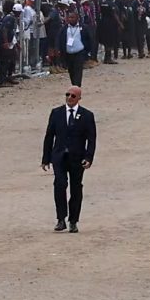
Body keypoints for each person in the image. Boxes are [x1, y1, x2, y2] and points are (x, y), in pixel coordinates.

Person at [41, 85, 95, 234]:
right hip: (59, 156)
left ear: (79, 98)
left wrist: (88, 158)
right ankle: (60, 219)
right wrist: (46, 158)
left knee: (76, 188)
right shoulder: (56, 113)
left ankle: (73, 221)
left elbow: (91, 139)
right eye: (67, 95)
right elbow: (49, 136)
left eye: (73, 96)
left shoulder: (87, 115)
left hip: (77, 158)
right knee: (60, 184)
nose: (69, 98)